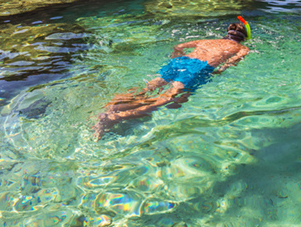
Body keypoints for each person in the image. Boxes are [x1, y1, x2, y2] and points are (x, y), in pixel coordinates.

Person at [93, 19, 251, 139]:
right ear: (243, 38)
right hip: (198, 69)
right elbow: (228, 65)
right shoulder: (242, 48)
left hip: (179, 62)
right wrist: (217, 72)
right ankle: (114, 118)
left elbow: (179, 47)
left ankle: (111, 107)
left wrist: (176, 61)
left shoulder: (206, 40)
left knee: (147, 88)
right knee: (164, 100)